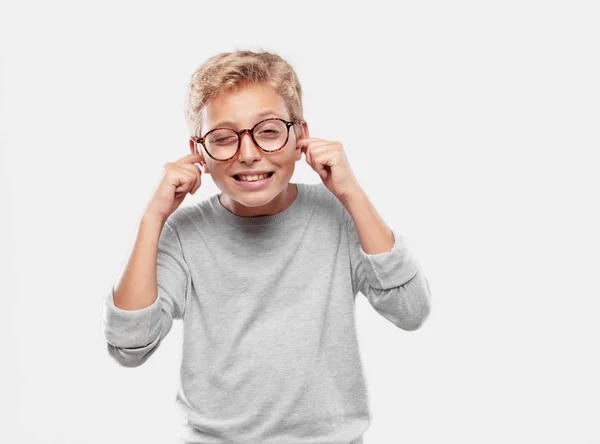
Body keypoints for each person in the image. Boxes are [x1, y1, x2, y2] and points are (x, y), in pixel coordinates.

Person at [101, 49, 431, 444]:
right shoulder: (183, 233)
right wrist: (152, 218)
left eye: (269, 131)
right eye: (223, 138)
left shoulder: (339, 217)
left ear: (300, 136)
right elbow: (128, 347)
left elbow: (410, 311)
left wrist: (352, 194)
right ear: (198, 152)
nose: (248, 153)